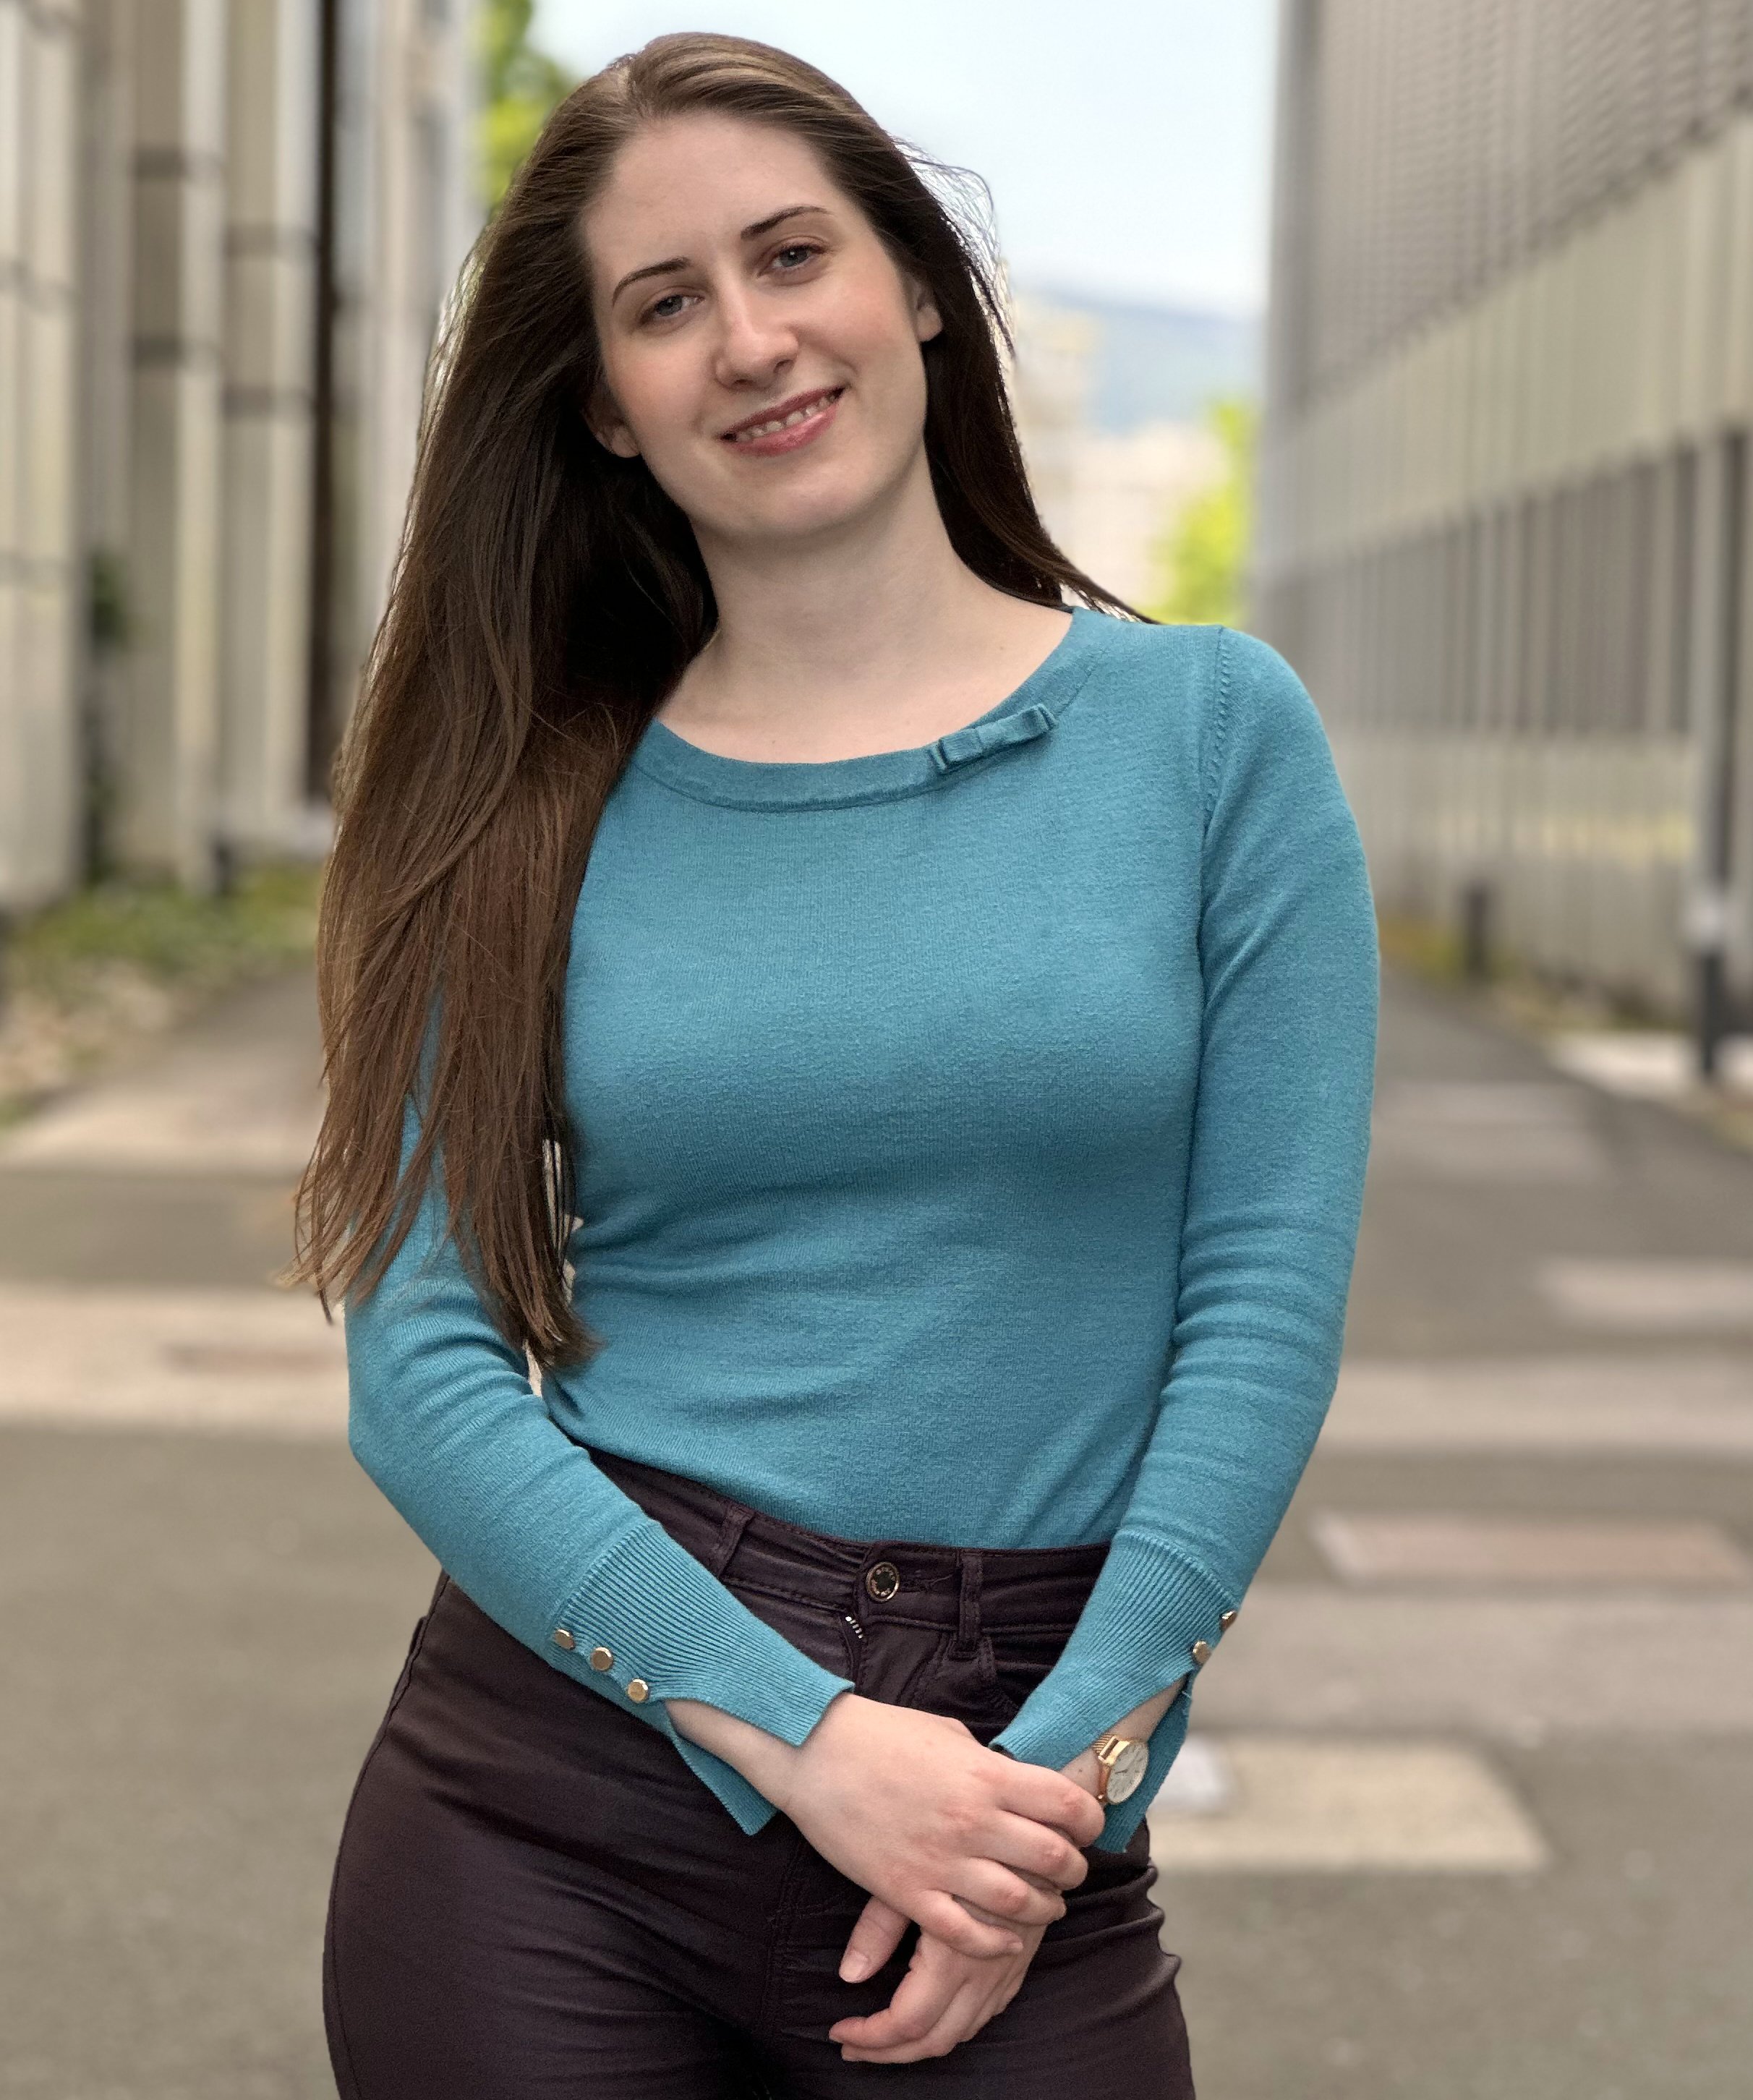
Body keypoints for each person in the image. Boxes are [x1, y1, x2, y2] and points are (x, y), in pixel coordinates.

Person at [293, 30, 1378, 2099]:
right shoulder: (519, 801)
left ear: (918, 290)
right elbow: (418, 1363)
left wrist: (1036, 1811)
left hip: (1015, 1790)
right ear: (606, 410)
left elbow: (1257, 1315)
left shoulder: (1215, 742)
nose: (753, 340)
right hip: (558, 1815)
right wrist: (803, 1740)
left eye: (795, 257)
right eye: (665, 304)